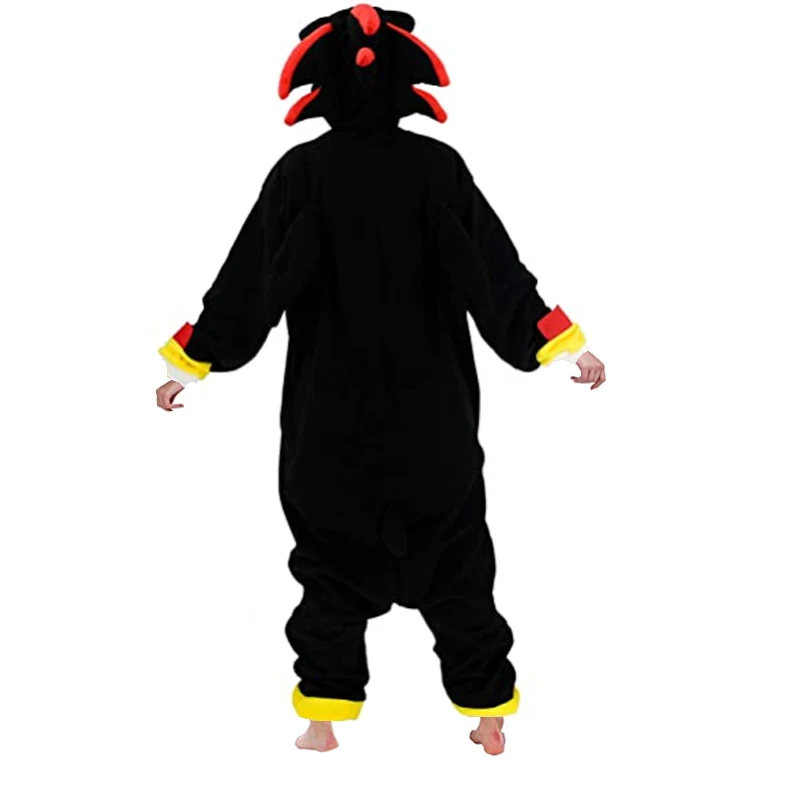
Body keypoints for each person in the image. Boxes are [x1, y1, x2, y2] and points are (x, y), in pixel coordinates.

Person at [155, 5, 606, 756]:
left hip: (329, 428)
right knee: (457, 564)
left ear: (318, 86)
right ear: (408, 82)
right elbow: (494, 270)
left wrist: (192, 361)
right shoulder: (436, 169)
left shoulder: (302, 174)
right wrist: (556, 344)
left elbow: (248, 283)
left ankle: (323, 720)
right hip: (435, 424)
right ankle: (487, 714)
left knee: (330, 570)